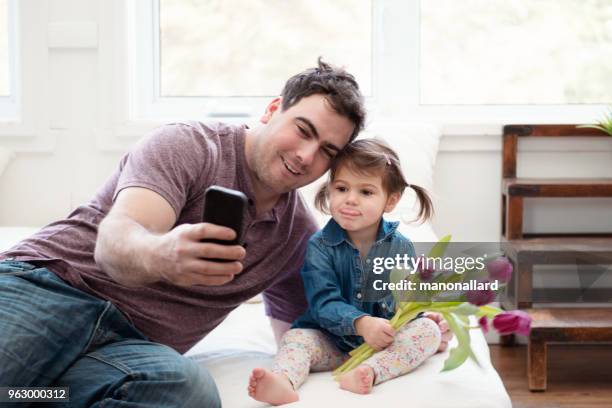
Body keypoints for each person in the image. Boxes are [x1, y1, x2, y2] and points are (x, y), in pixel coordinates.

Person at [0, 59, 450, 407]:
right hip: (52, 289)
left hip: (131, 351)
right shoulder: (189, 145)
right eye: (303, 130)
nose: (306, 155)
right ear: (274, 109)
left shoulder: (299, 238)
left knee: (188, 389)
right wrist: (161, 254)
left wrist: (411, 332)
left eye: (327, 151)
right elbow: (116, 241)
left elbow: (307, 332)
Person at [248, 139, 445, 405]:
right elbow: (323, 304)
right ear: (330, 190)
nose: (350, 199)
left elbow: (404, 300)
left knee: (428, 331)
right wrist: (361, 323)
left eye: (366, 192)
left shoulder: (401, 247)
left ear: (391, 201)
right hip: (331, 341)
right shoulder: (319, 246)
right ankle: (283, 381)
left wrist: (419, 314)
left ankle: (371, 371)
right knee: (295, 339)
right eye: (342, 188)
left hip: (380, 345)